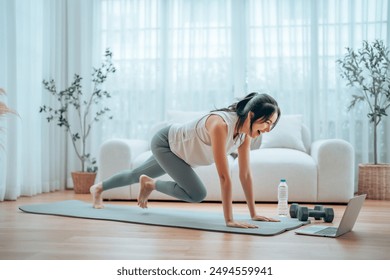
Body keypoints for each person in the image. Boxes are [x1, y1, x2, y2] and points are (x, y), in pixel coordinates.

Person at [90, 92, 281, 228]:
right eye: (267, 122)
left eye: (272, 124)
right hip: (166, 143)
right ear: (251, 115)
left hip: (179, 153)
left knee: (135, 174)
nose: (268, 129)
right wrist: (229, 220)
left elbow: (245, 174)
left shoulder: (244, 135)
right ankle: (149, 184)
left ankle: (98, 188)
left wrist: (253, 214)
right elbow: (224, 177)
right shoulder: (220, 125)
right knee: (197, 193)